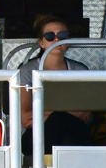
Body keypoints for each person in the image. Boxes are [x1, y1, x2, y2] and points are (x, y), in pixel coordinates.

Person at [18, 14, 96, 151]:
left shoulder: (80, 70)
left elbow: (86, 116)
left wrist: (47, 113)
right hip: (38, 137)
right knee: (57, 121)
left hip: (73, 132)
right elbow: (26, 119)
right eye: (50, 36)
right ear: (41, 43)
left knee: (62, 124)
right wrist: (61, 113)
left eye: (62, 35)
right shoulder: (27, 71)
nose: (57, 39)